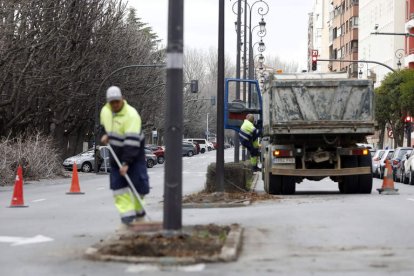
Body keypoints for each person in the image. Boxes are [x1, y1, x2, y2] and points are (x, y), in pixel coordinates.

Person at [100, 86, 149, 226]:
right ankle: (127, 220)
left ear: (122, 99)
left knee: (139, 186)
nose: (115, 105)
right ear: (108, 102)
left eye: (117, 101)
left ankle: (140, 215)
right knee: (118, 188)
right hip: (116, 154)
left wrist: (126, 163)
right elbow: (106, 129)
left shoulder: (131, 115)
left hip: (134, 154)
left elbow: (131, 141)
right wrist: (105, 136)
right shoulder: (105, 112)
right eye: (112, 102)